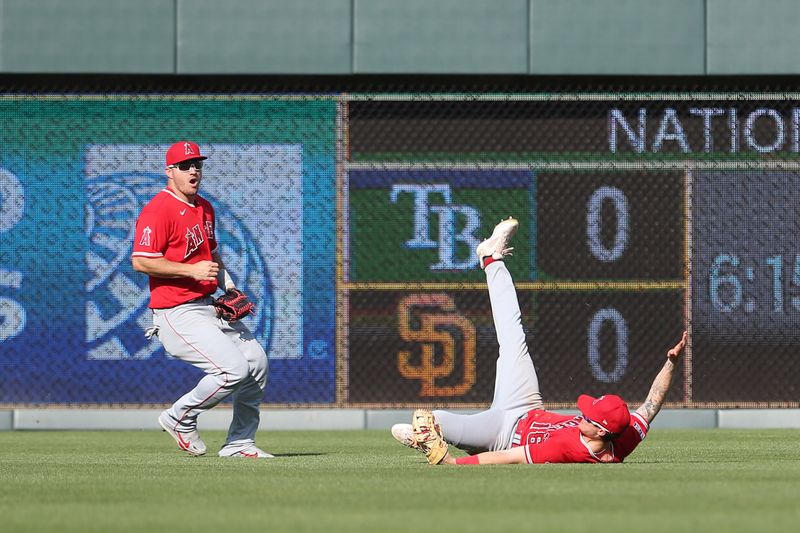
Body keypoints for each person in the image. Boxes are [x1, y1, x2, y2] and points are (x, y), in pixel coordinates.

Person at [392, 217, 688, 465]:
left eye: (588, 416)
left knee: (433, 420)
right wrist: (670, 363)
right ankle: (491, 259)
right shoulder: (624, 435)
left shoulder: (568, 448)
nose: (581, 414)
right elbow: (651, 406)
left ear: (599, 431)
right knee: (513, 338)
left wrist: (453, 464)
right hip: (527, 405)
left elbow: (511, 457)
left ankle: (430, 439)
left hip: (502, 436)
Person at [131, 141, 271, 458]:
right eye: (184, 165)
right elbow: (141, 261)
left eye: (197, 164)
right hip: (175, 312)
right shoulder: (158, 210)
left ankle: (239, 443)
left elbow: (212, 256)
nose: (193, 170)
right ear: (170, 172)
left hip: (207, 307)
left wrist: (230, 288)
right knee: (232, 370)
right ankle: (180, 417)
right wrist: (190, 271)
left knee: (257, 363)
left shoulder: (205, 208)